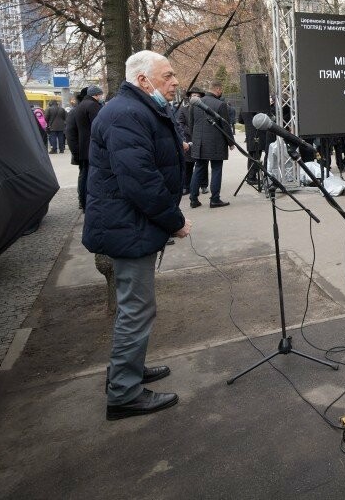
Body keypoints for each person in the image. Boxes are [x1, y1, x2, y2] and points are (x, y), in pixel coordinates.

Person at [83, 50, 189, 420]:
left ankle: (128, 371)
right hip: (128, 226)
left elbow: (144, 160)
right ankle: (124, 393)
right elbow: (139, 180)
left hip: (130, 225)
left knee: (137, 307)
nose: (175, 82)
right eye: (168, 75)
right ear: (144, 80)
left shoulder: (135, 110)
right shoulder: (126, 113)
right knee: (137, 308)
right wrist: (174, 220)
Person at [188, 80, 233, 209]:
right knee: (216, 169)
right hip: (216, 144)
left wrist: (195, 140)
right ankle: (214, 199)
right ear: (218, 89)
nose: (221, 92)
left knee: (198, 169)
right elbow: (225, 125)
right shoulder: (220, 104)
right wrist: (230, 142)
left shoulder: (194, 104)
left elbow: (191, 125)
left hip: (199, 143)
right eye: (221, 90)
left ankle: (193, 199)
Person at [67, 85, 104, 211]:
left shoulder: (81, 106)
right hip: (91, 147)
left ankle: (83, 202)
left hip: (83, 147)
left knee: (84, 175)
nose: (101, 97)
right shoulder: (92, 106)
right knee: (89, 176)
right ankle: (87, 203)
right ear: (96, 95)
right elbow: (99, 126)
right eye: (100, 94)